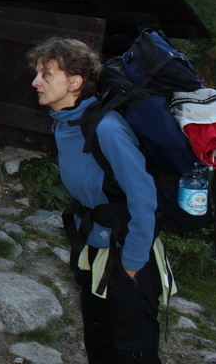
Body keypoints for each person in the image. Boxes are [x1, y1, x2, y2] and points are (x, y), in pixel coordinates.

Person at [28, 36, 171, 364]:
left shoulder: (106, 128)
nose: (35, 82)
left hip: (126, 251)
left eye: (46, 75)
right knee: (98, 339)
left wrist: (133, 264)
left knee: (131, 348)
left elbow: (143, 196)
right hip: (95, 246)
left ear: (75, 82)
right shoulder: (65, 123)